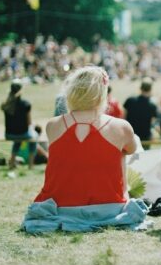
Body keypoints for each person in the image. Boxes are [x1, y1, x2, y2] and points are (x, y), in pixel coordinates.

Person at [22, 66, 148, 233]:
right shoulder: (121, 127)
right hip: (110, 208)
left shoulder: (53, 125)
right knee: (123, 149)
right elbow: (132, 150)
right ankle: (122, 195)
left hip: (61, 208)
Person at [1, 80, 37, 169]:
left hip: (8, 134)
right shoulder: (26, 104)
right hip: (22, 134)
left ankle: (12, 163)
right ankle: (31, 164)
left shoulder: (6, 104)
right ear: (21, 90)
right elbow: (29, 123)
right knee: (34, 137)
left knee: (18, 139)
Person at [124, 78, 158, 150]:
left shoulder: (130, 100)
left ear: (140, 88)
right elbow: (152, 122)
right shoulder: (152, 105)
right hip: (145, 139)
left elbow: (124, 117)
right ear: (150, 90)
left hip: (130, 136)